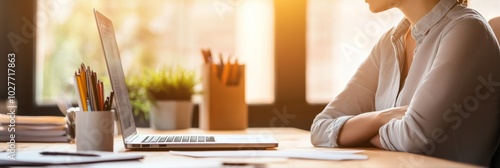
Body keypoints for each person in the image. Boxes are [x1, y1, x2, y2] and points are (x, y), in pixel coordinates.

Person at [310, 0, 500, 166]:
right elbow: (320, 129)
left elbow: (414, 138)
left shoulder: (466, 30)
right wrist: (384, 117)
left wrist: (355, 133)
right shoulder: (389, 43)